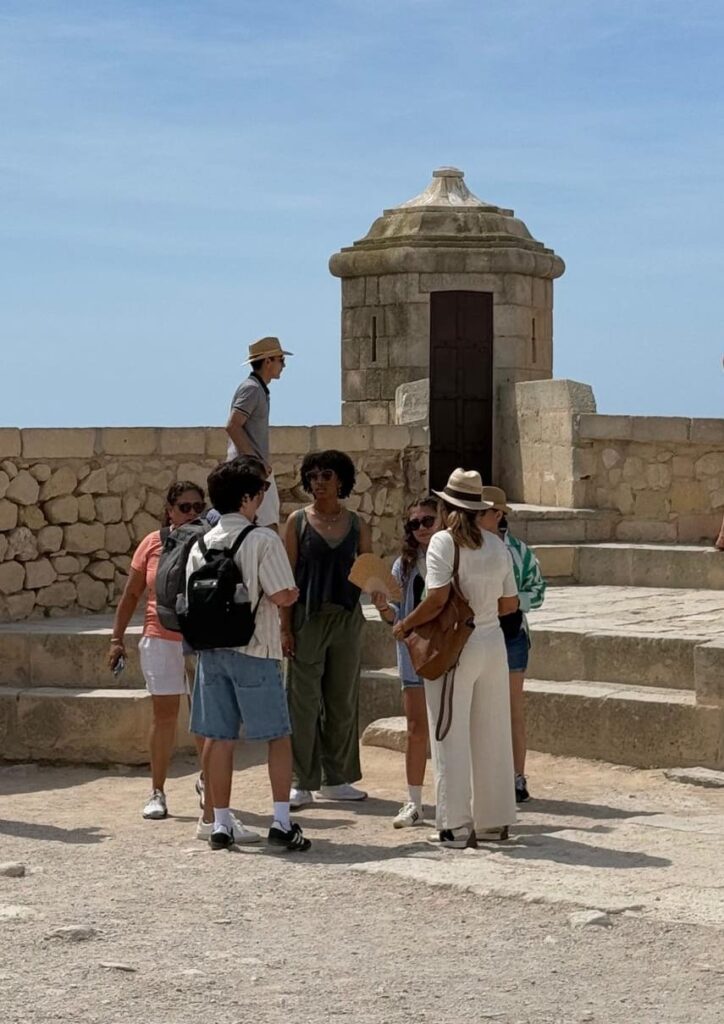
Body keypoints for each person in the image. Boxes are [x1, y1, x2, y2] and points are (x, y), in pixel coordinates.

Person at [187, 459, 311, 852]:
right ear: (245, 498)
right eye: (260, 491)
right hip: (256, 648)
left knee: (218, 737)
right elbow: (282, 594)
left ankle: (220, 822)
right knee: (277, 736)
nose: (262, 498)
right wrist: (290, 594)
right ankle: (281, 821)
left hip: (212, 650)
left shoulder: (200, 543)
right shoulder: (262, 540)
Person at [393, 469, 519, 848]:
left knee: (448, 732)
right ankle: (493, 820)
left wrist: (405, 624)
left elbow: (436, 599)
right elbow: (510, 604)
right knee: (492, 731)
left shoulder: (444, 543)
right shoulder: (496, 544)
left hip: (457, 645)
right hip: (492, 642)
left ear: (447, 506)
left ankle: (455, 825)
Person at [108, 481, 212, 822]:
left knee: (205, 717)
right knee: (165, 716)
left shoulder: (212, 540)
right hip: (160, 635)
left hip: (201, 638)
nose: (192, 513)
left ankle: (208, 781)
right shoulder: (153, 543)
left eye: (198, 507)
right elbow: (132, 594)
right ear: (169, 510)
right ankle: (157, 791)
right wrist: (116, 638)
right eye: (184, 507)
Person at [282, 450, 372, 809]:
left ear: (341, 481)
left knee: (342, 700)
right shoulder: (297, 522)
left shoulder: (357, 525)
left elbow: (368, 570)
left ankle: (336, 778)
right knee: (301, 703)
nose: (319, 482)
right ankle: (300, 780)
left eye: (326, 475)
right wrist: (285, 628)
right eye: (314, 476)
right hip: (308, 619)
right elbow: (288, 578)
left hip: (346, 620)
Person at [373, 496, 441, 828]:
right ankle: (414, 801)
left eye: (428, 520)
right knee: (416, 730)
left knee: (451, 729)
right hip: (413, 655)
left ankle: (455, 799)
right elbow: (395, 618)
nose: (421, 529)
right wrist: (383, 608)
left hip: (448, 652)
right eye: (415, 523)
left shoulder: (454, 557)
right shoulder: (404, 566)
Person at [480, 486, 546, 803]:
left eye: (481, 512)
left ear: (497, 515)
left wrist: (515, 601)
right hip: (477, 633)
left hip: (510, 634)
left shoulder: (520, 551)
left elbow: (538, 589)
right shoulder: (466, 548)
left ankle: (517, 777)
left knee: (512, 707)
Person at [225, 336, 292, 531]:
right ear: (268, 361)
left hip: (251, 468)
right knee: (267, 526)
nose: (284, 365)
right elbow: (233, 425)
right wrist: (257, 462)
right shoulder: (252, 389)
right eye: (281, 360)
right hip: (251, 470)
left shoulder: (257, 389)